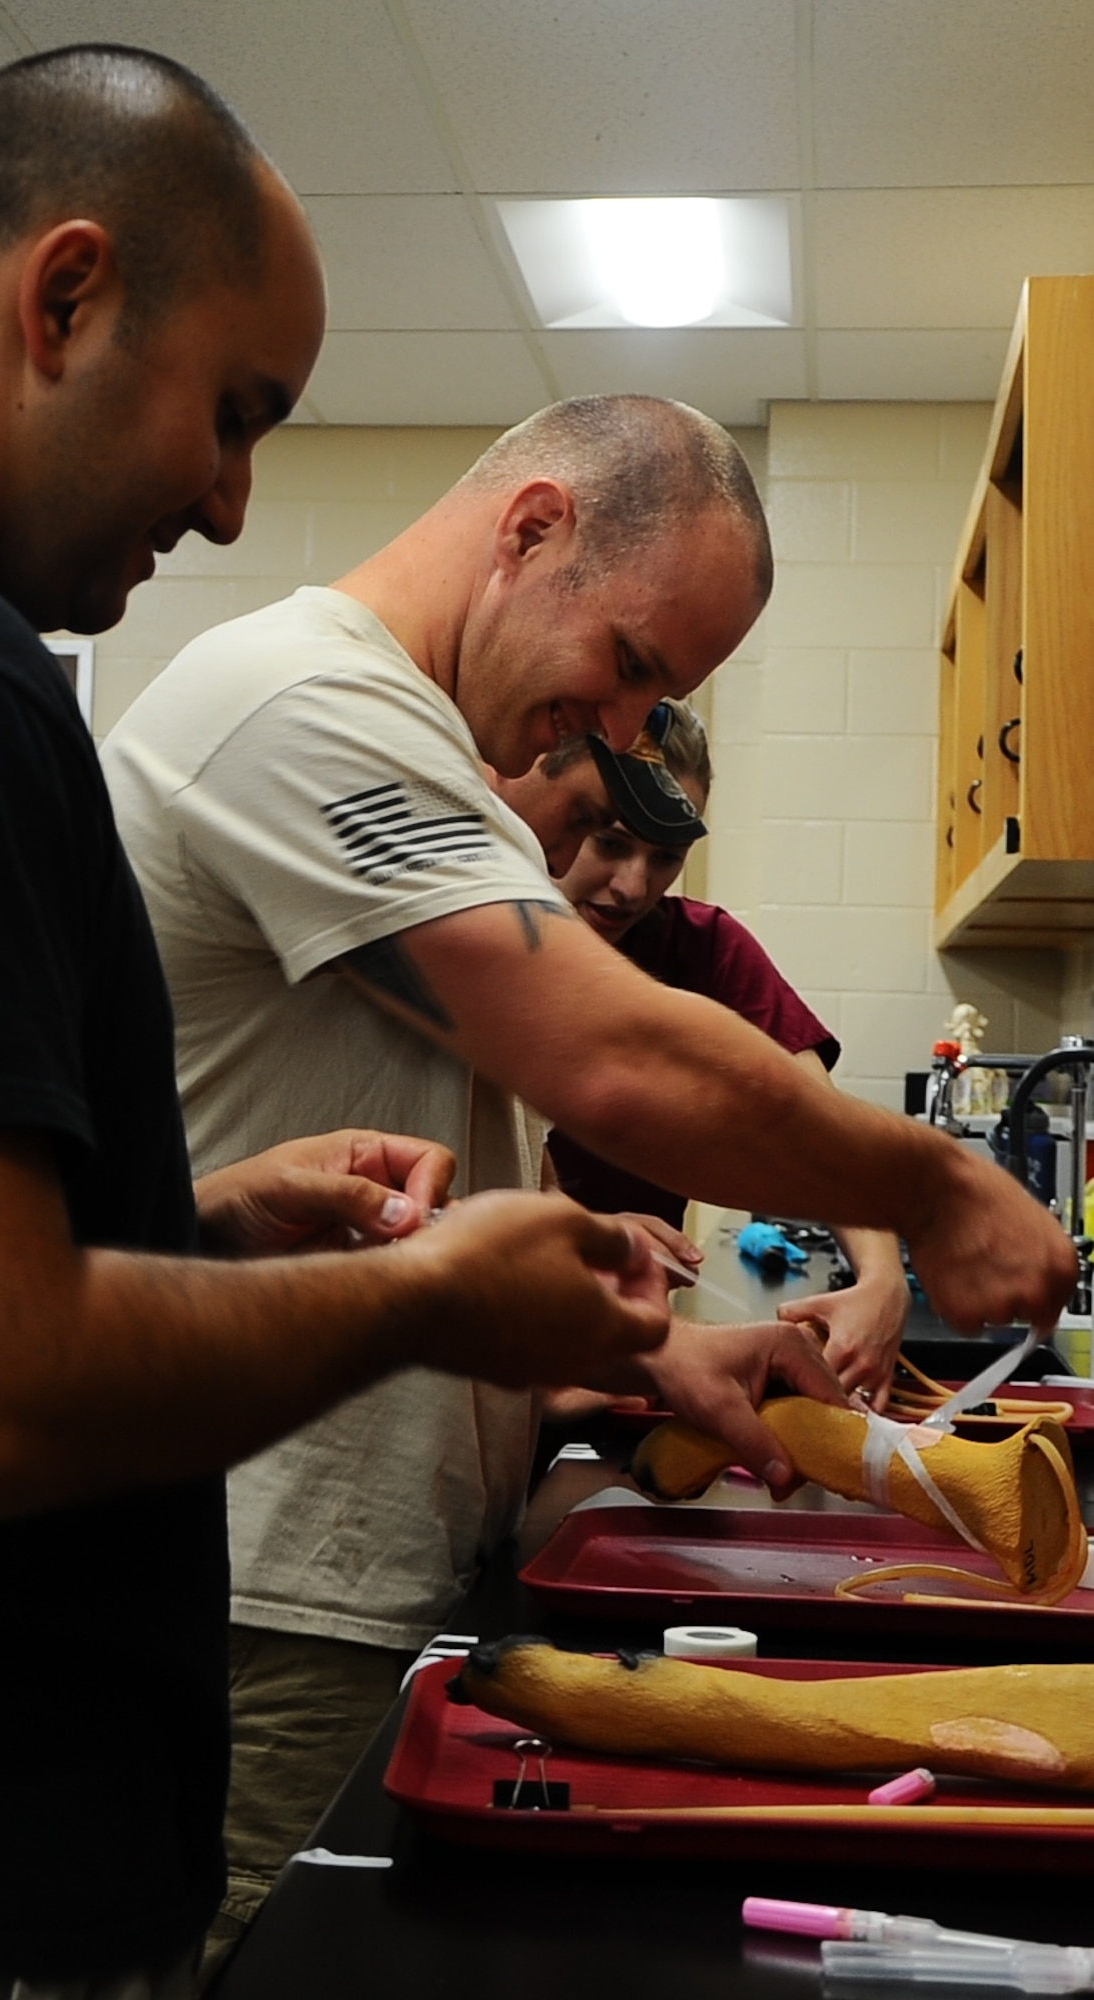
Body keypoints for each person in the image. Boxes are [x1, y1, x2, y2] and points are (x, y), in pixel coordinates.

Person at [0, 47, 712, 2000]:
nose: (232, 508)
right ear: (62, 297)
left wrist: (201, 1220)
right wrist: (419, 1296)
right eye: (231, 417)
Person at [100, 394, 1074, 1964]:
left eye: (655, 701)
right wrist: (938, 1187)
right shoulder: (306, 703)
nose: (619, 734)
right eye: (628, 665)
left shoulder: (431, 756)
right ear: (532, 527)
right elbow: (615, 1063)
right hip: (260, 1574)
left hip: (345, 1558)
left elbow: (437, 1181)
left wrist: (659, 1354)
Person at [498, 708, 911, 1405]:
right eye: (610, 842)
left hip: (623, 1363)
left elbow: (823, 1131)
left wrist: (881, 1278)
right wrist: (573, 1232)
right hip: (497, 1351)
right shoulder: (483, 943)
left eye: (666, 856)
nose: (634, 885)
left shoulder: (704, 948)